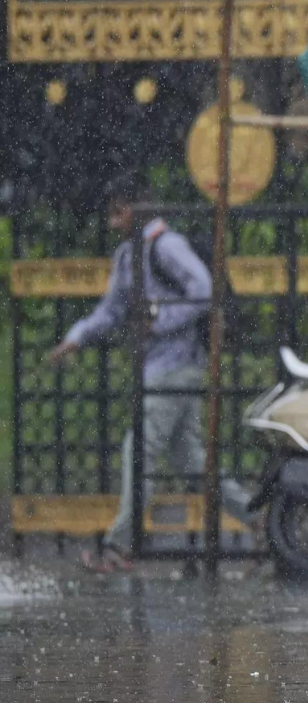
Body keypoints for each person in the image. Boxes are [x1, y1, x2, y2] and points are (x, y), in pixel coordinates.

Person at [47, 172, 212, 572]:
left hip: (175, 365)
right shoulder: (127, 256)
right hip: (160, 367)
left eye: (121, 207)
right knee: (192, 460)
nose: (114, 216)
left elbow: (204, 290)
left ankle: (120, 547)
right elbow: (112, 310)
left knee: (138, 452)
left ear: (138, 206)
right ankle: (258, 518)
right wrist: (78, 337)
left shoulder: (167, 246)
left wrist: (159, 321)